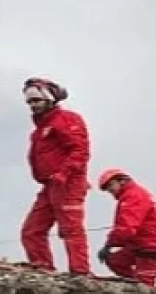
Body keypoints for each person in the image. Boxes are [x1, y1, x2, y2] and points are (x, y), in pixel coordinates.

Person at [21, 77, 91, 276]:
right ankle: (42, 267)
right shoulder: (42, 127)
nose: (33, 106)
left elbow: (80, 150)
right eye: (30, 102)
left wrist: (64, 174)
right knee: (32, 230)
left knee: (71, 229)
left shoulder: (66, 120)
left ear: (50, 99)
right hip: (50, 184)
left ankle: (80, 273)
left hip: (67, 183)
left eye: (36, 101)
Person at [95, 168, 156, 286]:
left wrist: (109, 244)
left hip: (152, 245)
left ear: (122, 181)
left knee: (145, 285)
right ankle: (134, 286)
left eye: (110, 185)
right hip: (141, 243)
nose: (110, 190)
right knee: (115, 261)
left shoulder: (133, 196)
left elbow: (126, 227)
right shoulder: (133, 194)